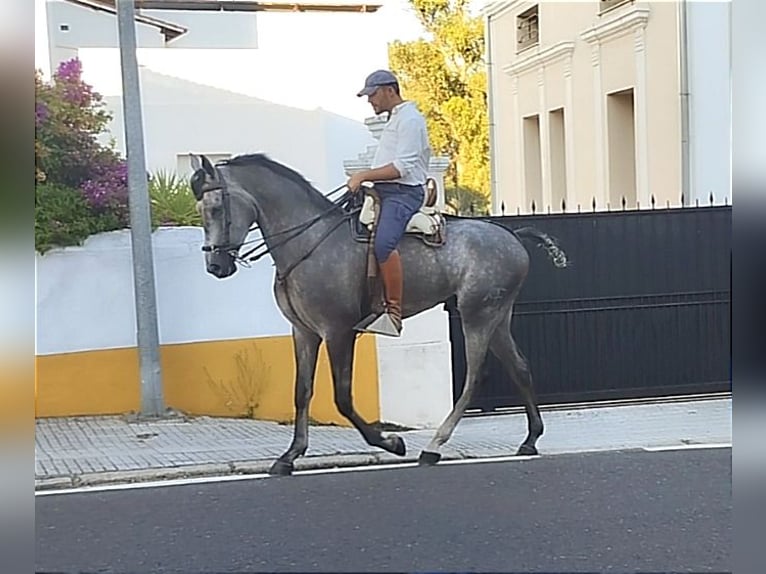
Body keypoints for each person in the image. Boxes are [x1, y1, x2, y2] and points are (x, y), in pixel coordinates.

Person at [347, 69, 432, 337]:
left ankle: (393, 312)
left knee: (384, 244)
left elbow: (402, 168)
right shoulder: (395, 118)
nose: (370, 100)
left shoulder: (410, 120)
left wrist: (363, 175)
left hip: (404, 193)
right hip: (385, 191)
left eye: (372, 94)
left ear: (389, 90)